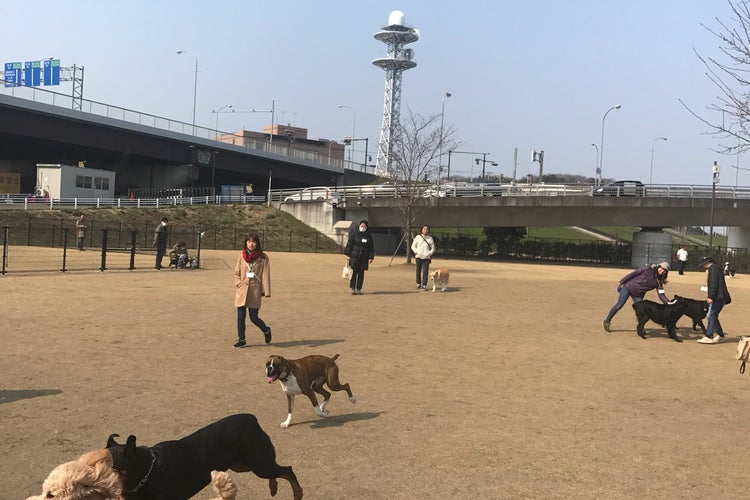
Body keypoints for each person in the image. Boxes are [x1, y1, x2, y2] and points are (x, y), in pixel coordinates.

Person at [602, 261, 671, 332]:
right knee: (619, 305)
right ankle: (607, 321)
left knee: (642, 310)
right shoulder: (647, 269)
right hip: (628, 288)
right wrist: (622, 282)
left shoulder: (659, 282)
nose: (662, 271)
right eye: (661, 268)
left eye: (664, 271)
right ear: (659, 266)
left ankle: (640, 327)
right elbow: (633, 274)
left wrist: (668, 302)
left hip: (638, 294)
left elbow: (661, 295)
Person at [233, 233, 272, 348]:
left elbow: (265, 275)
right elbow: (236, 273)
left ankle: (266, 330)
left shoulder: (263, 257)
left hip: (255, 290)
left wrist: (267, 291)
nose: (251, 244)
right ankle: (242, 339)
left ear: (257, 243)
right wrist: (238, 283)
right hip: (242, 290)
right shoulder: (242, 256)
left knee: (253, 317)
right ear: (246, 243)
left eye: (254, 242)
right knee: (240, 316)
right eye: (249, 241)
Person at [697, 256, 732, 344]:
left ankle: (709, 336)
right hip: (721, 296)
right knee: (713, 315)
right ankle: (720, 335)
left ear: (706, 263)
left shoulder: (713, 270)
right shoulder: (716, 268)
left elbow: (713, 284)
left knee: (711, 315)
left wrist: (710, 296)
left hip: (717, 297)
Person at [345, 219, 375, 295]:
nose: (363, 227)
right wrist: (348, 254)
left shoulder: (368, 236)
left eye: (364, 226)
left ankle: (359, 289)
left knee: (361, 275)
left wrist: (371, 257)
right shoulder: (354, 233)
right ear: (359, 226)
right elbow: (349, 244)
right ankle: (352, 288)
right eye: (361, 225)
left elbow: (371, 247)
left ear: (366, 227)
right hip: (354, 257)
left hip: (363, 258)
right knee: (353, 274)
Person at [411, 224, 436, 290]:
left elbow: (433, 248)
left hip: (426, 258)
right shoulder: (417, 237)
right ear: (421, 230)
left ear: (428, 230)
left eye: (427, 229)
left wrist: (429, 253)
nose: (425, 230)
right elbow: (413, 246)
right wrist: (416, 252)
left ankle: (424, 285)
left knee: (425, 272)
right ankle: (418, 283)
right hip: (418, 257)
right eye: (424, 229)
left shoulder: (430, 238)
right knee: (418, 271)